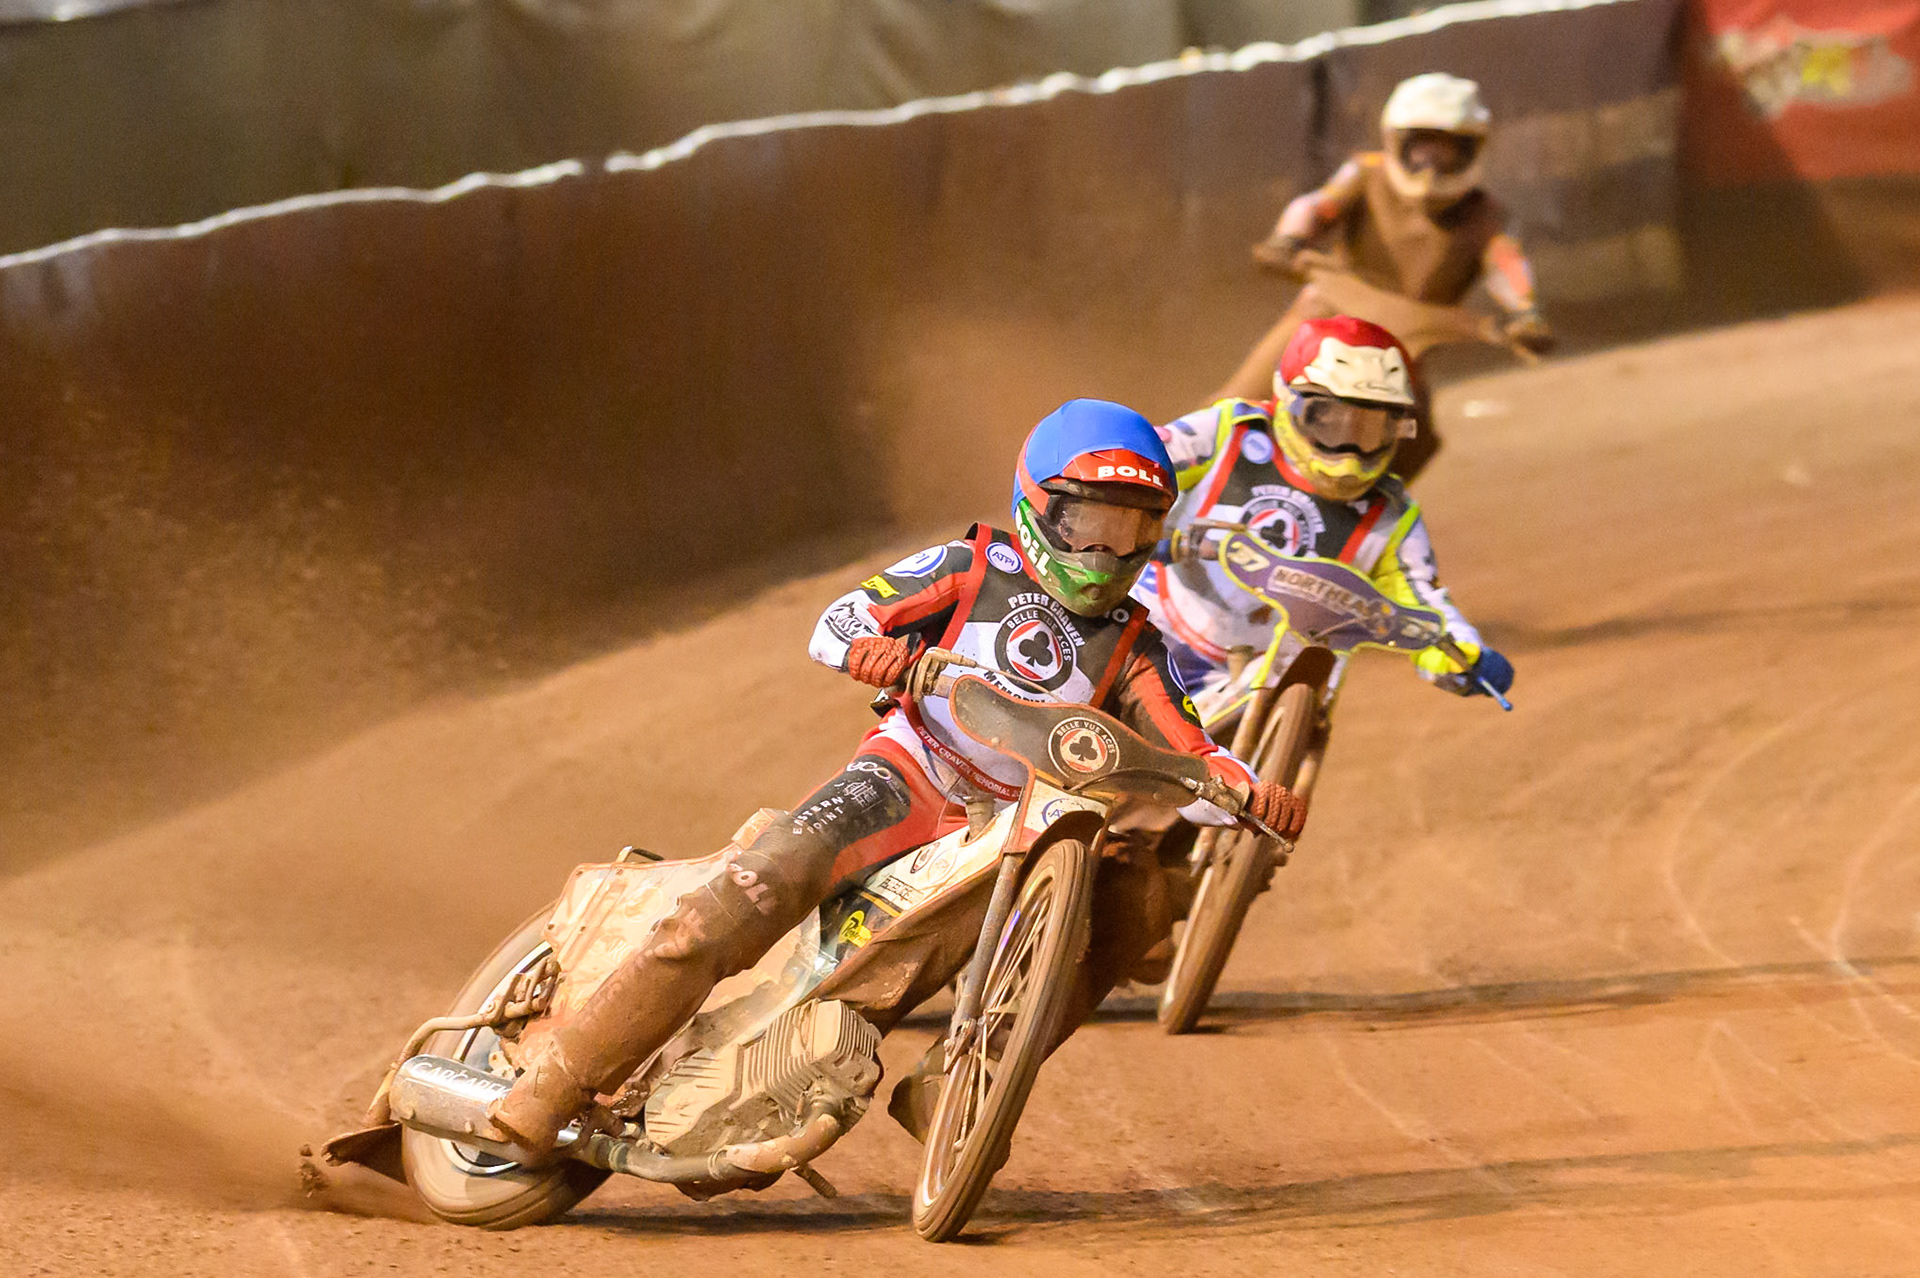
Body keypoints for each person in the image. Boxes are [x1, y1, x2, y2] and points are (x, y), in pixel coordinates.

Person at [486, 399, 1307, 1158]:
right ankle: (554, 1084)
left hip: (1016, 824)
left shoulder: (1136, 642)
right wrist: (877, 652)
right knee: (746, 896)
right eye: (1088, 523)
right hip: (906, 775)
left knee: (1138, 900)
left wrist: (1246, 789)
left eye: (1132, 531)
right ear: (1038, 506)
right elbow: (840, 620)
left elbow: (1191, 743)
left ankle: (959, 1080)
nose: (1107, 550)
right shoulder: (972, 563)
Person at [1145, 314, 1513, 714]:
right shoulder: (1226, 432)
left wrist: (1464, 656)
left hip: (1254, 679)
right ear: (1288, 403)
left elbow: (1422, 600)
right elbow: (1135, 463)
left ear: (1398, 429)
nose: (1348, 447)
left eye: (1369, 428)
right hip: (1141, 620)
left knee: (1289, 724)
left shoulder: (1389, 516)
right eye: (1329, 420)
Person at [1215, 72, 1555, 482]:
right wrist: (1287, 240)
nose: (1433, 164)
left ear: (1472, 149)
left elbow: (1505, 261)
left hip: (1402, 350)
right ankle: (1170, 477)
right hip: (1326, 319)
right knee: (1232, 409)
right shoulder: (1366, 173)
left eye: (1447, 151)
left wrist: (1525, 311)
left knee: (1413, 443)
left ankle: (1357, 527)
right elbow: (1318, 206)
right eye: (1424, 148)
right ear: (1398, 143)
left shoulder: (1485, 215)